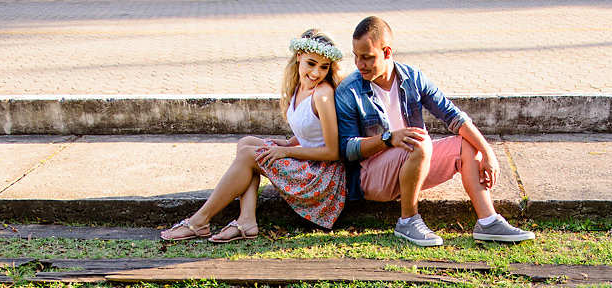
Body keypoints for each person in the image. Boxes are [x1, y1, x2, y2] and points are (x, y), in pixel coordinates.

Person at [334, 16, 534, 247]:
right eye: (356, 57)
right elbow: (347, 149)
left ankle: (488, 221)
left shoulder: (413, 78)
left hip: (414, 163)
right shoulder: (349, 90)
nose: (359, 65)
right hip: (371, 176)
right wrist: (388, 139)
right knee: (420, 141)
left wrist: (487, 151)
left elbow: (453, 116)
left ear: (387, 52)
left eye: (367, 57)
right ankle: (408, 221)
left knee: (466, 143)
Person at [160, 29, 347, 242]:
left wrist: (286, 151)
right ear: (299, 57)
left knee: (250, 155)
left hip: (321, 180)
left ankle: (199, 221)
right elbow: (313, 131)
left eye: (324, 67)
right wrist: (288, 142)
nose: (316, 73)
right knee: (246, 143)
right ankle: (246, 220)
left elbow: (332, 152)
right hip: (308, 164)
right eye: (311, 64)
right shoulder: (299, 86)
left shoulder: (322, 94)